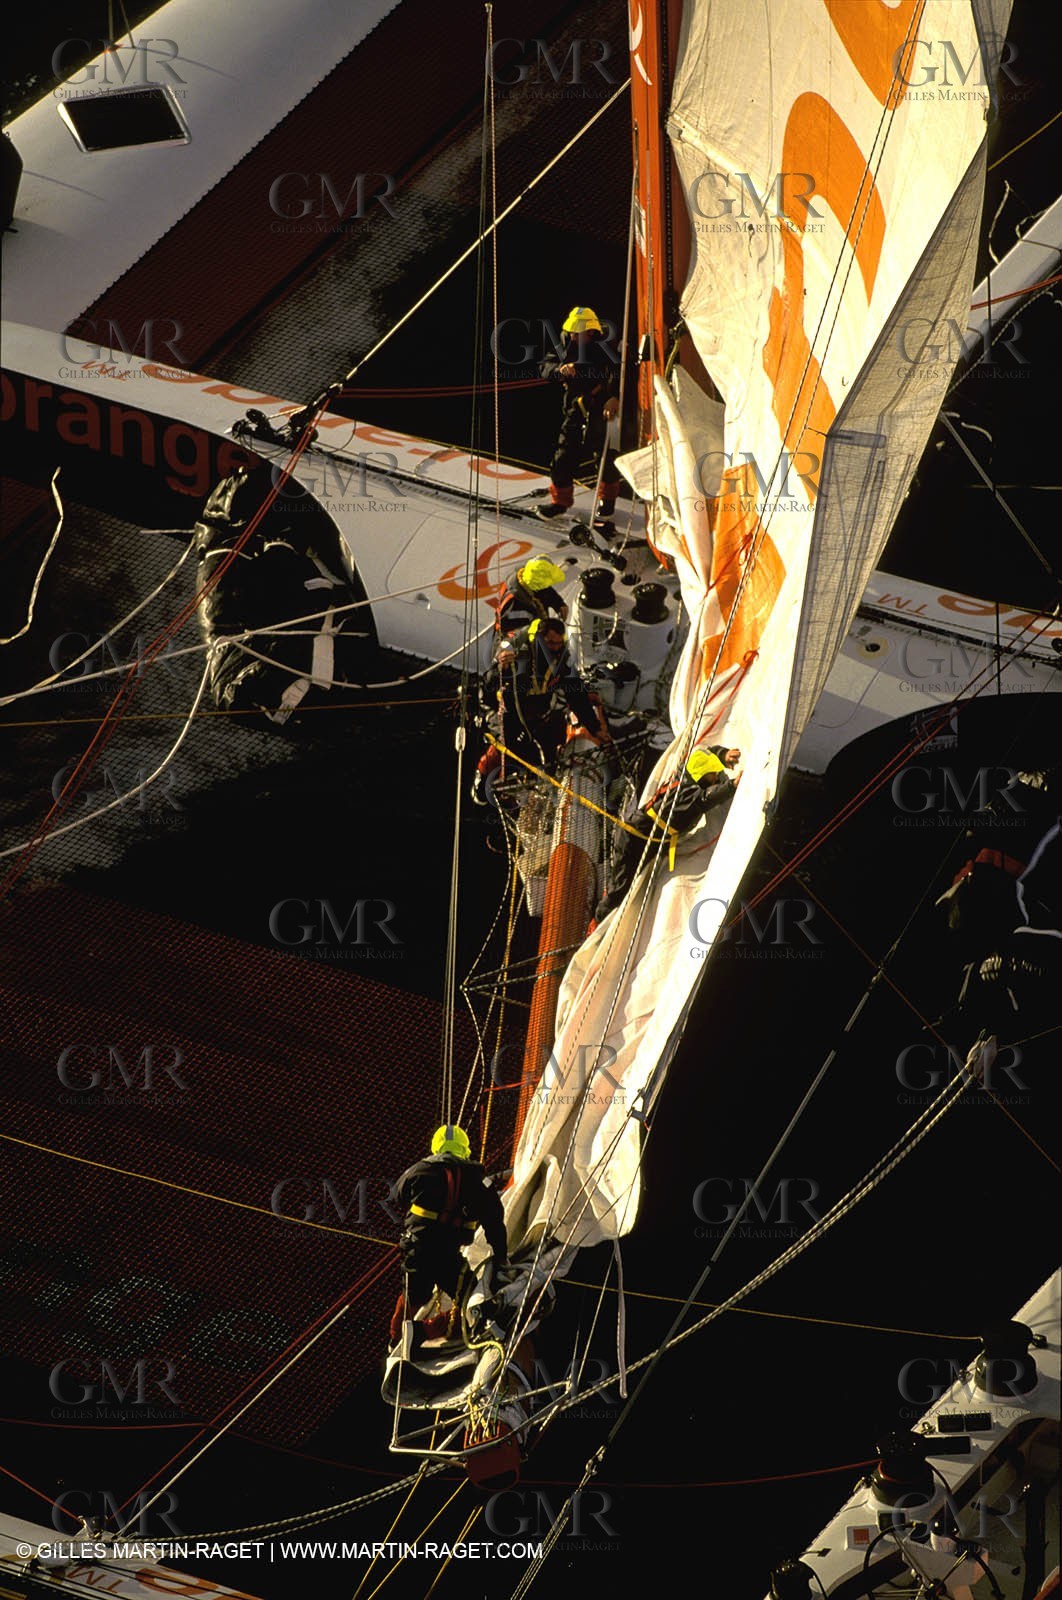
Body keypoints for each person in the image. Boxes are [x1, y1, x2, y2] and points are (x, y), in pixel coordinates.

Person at [389, 1124, 508, 1345]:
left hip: (418, 1250)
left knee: (411, 1298)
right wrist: (501, 1256)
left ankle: (396, 1340)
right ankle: (426, 1332)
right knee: (470, 1301)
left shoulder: (419, 1171)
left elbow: (397, 1196)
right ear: (465, 1149)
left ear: (436, 1147)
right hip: (448, 1257)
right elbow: (494, 1222)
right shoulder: (480, 1181)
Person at [593, 747, 741, 924]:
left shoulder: (684, 772)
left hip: (645, 835)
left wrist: (722, 755)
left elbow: (703, 753)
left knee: (624, 883)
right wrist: (731, 786)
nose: (717, 777)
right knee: (620, 888)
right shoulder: (685, 796)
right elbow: (704, 799)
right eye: (713, 774)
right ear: (701, 774)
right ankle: (598, 922)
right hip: (634, 841)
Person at [472, 618, 609, 805]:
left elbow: (576, 697)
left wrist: (595, 728)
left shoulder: (561, 663)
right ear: (540, 639)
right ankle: (484, 779)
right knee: (507, 749)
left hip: (540, 717)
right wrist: (499, 667)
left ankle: (546, 792)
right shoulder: (517, 656)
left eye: (559, 644)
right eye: (550, 643)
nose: (554, 648)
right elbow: (488, 686)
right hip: (508, 716)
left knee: (549, 759)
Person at [537, 306, 622, 531]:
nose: (574, 337)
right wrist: (559, 370)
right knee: (563, 454)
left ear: (592, 333)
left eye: (579, 333)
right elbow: (544, 366)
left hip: (602, 405)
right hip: (576, 405)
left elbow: (620, 371)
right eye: (572, 333)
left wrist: (614, 396)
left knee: (605, 454)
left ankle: (608, 501)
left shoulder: (606, 345)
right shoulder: (564, 343)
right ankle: (560, 502)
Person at [494, 557, 569, 638]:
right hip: (519, 642)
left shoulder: (537, 584)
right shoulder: (512, 600)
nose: (546, 586)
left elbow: (549, 593)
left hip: (541, 634)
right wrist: (534, 628)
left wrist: (559, 604)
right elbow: (501, 627)